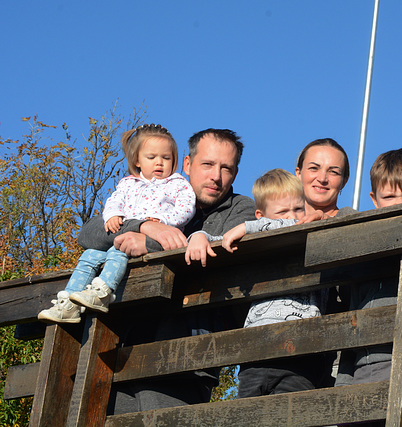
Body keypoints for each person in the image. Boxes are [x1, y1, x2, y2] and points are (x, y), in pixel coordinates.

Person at [98, 128, 256, 414]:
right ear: (187, 164)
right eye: (207, 164)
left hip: (186, 357)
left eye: (226, 168)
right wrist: (145, 226)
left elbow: (214, 258)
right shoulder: (158, 193)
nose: (216, 176)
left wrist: (149, 245)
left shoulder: (241, 209)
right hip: (126, 345)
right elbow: (89, 233)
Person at [188, 168, 328, 397]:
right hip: (257, 351)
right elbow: (223, 240)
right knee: (249, 413)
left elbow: (290, 227)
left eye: (298, 209)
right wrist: (199, 236)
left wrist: (247, 227)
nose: (292, 217)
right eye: (282, 212)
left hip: (301, 354)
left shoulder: (310, 234)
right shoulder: (254, 237)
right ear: (261, 217)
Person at [38, 124, 195, 324]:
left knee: (117, 250)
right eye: (151, 157)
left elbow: (186, 208)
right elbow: (114, 201)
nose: (159, 163)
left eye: (166, 158)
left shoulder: (177, 183)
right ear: (137, 160)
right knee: (89, 255)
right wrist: (112, 215)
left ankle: (103, 291)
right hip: (124, 234)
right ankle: (69, 302)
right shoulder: (128, 183)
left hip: (145, 240)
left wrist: (165, 221)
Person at [336, 149, 402, 393]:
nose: (399, 204)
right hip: (365, 370)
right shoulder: (364, 252)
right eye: (389, 197)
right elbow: (352, 317)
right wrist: (343, 384)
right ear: (374, 200)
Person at [295, 138, 356, 218]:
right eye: (314, 168)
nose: (322, 179)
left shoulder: (356, 224)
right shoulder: (278, 223)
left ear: (344, 181)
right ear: (299, 173)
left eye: (333, 172)